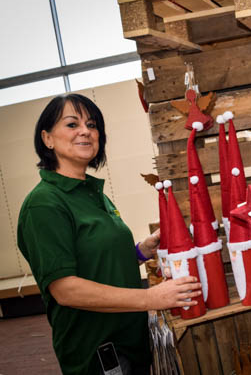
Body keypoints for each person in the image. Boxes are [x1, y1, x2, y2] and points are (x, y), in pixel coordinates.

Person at [17, 94, 202, 375]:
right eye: (71, 124)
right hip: (100, 354)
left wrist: (141, 251)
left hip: (129, 343)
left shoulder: (91, 193)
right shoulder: (44, 204)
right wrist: (150, 298)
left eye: (92, 125)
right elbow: (65, 289)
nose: (85, 131)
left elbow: (94, 260)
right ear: (47, 139)